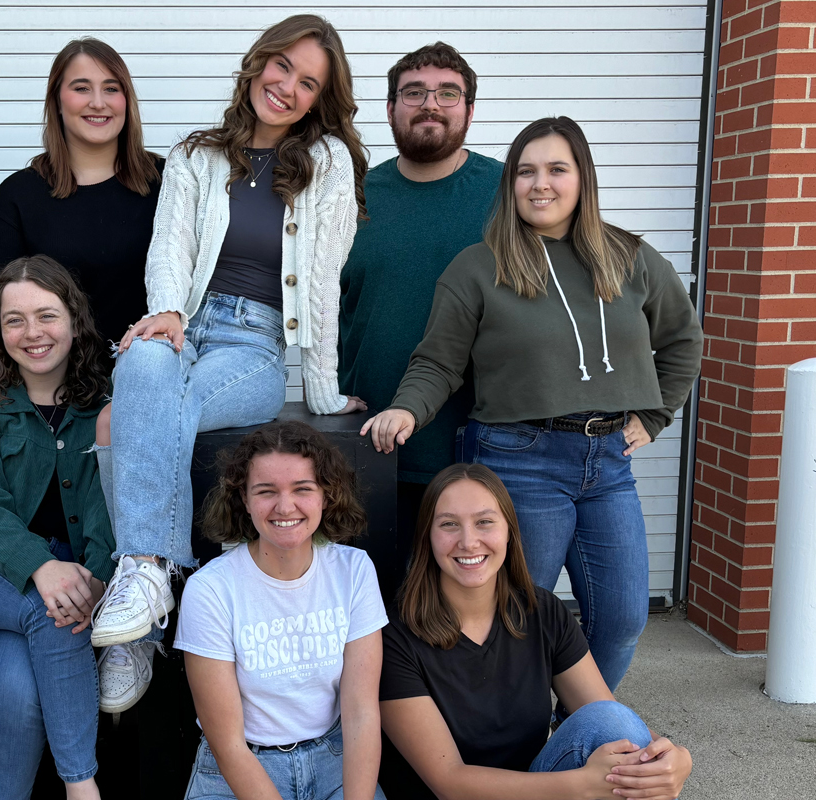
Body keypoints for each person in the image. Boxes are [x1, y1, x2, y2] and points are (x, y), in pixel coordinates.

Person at [363, 116, 703, 691]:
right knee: (517, 620)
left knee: (622, 619)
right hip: (518, 459)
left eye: (556, 169)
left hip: (607, 463)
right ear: (510, 183)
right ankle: (514, 730)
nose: (540, 184)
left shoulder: (631, 257)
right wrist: (408, 409)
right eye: (525, 171)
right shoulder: (480, 266)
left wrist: (655, 414)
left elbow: (682, 339)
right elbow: (439, 361)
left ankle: (577, 726)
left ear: (582, 178)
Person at [90, 15, 369, 712]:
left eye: (309, 83)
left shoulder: (327, 161)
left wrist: (324, 392)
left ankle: (138, 616)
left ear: (319, 99)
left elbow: (325, 283)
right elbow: (169, 246)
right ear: (258, 64)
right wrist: (165, 313)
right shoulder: (196, 154)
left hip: (254, 345)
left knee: (145, 411)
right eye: (283, 67)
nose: (289, 87)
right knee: (142, 364)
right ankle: (148, 580)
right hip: (188, 324)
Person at [378, 464, 691, 800]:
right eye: (449, 524)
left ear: (509, 532)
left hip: (533, 788)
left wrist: (673, 756)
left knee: (619, 731)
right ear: (427, 537)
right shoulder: (394, 637)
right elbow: (449, 782)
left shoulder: (540, 611)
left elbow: (608, 718)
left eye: (484, 522)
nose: (468, 542)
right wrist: (581, 785)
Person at [0, 256, 122, 800]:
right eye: (14, 320)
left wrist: (97, 577)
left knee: (17, 695)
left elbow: (110, 506)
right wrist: (41, 566)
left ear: (74, 320)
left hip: (71, 570)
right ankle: (82, 787)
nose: (32, 332)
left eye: (47, 315)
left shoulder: (103, 405)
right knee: (51, 609)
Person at [338, 42, 501, 603]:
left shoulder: (509, 193)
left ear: (470, 110)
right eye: (413, 93)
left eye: (447, 93)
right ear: (390, 109)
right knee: (374, 605)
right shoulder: (351, 195)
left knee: (462, 608)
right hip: (370, 441)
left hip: (480, 445)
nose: (430, 104)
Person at [0, 37, 163, 418]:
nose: (98, 102)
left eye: (112, 88)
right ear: (57, 101)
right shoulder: (17, 198)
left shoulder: (168, 184)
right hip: (53, 402)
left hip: (147, 389)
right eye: (81, 88)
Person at [174, 421, 387, 800]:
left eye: (302, 489)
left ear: (326, 494)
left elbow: (361, 715)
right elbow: (228, 745)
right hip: (240, 768)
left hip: (335, 759)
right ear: (244, 499)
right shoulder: (210, 589)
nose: (285, 507)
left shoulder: (354, 571)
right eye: (266, 491)